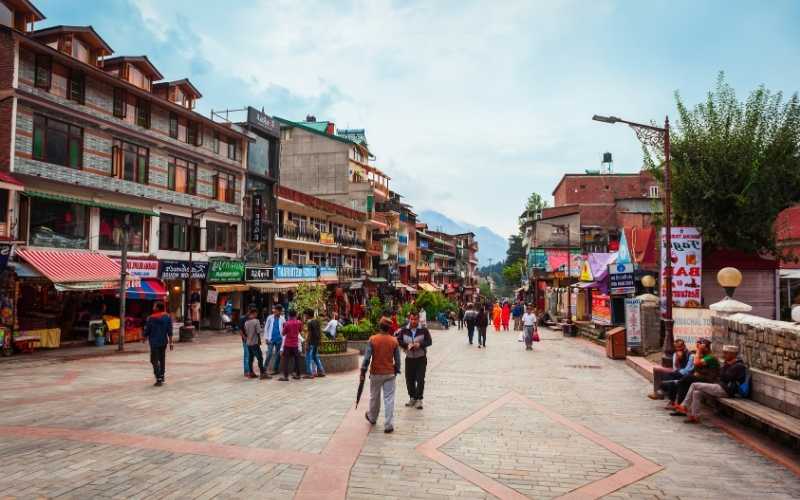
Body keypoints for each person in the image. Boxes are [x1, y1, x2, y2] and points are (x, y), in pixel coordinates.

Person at [676, 345, 746, 424]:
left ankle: (684, 405)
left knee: (694, 385)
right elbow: (721, 375)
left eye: (726, 353)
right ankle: (695, 416)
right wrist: (726, 366)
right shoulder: (729, 364)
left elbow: (725, 377)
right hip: (720, 387)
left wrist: (727, 366)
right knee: (697, 393)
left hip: (726, 390)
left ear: (733, 354)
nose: (724, 355)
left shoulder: (738, 366)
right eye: (724, 353)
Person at [362, 319, 402, 433]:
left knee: (374, 397)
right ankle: (388, 424)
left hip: (376, 373)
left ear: (379, 326)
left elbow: (367, 358)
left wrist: (363, 370)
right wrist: (396, 370)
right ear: (389, 328)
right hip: (389, 373)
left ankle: (372, 417)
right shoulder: (394, 341)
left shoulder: (373, 339)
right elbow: (398, 360)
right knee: (389, 399)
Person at [670, 338, 720, 414]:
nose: (698, 348)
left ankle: (681, 407)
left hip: (710, 380)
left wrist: (699, 350)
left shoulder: (710, 357)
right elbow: (696, 368)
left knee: (685, 380)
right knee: (683, 381)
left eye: (700, 347)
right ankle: (680, 407)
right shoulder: (703, 356)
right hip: (702, 378)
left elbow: (696, 363)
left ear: (706, 348)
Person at [397, 313, 433, 410]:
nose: (413, 321)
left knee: (420, 379)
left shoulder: (423, 330)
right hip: (409, 358)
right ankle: (412, 397)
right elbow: (399, 340)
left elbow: (429, 341)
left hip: (421, 358)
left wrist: (420, 344)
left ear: (418, 319)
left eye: (415, 319)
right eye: (412, 319)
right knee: (409, 379)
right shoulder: (404, 330)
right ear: (409, 319)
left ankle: (419, 399)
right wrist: (406, 345)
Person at [142, 302, 173, 386]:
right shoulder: (167, 317)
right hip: (163, 341)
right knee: (162, 359)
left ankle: (158, 377)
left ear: (158, 308)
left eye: (154, 306)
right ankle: (162, 375)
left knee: (154, 360)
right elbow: (170, 330)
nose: (153, 308)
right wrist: (171, 342)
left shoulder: (151, 318)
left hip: (154, 342)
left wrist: (144, 337)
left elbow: (147, 330)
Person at [243, 308, 269, 379]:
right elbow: (258, 331)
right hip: (255, 343)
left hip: (248, 343)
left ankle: (251, 372)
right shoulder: (256, 321)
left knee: (251, 358)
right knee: (260, 358)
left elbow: (246, 332)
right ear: (254, 313)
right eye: (256, 313)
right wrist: (262, 329)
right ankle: (262, 373)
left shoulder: (246, 322)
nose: (257, 315)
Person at [279, 310, 304, 381]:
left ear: (289, 315)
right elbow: (300, 330)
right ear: (296, 315)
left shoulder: (287, 323)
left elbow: (283, 333)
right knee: (297, 360)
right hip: (295, 344)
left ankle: (286, 376)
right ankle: (298, 375)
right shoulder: (299, 322)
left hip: (287, 344)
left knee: (286, 360)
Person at [264, 305, 285, 375]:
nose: (276, 312)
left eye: (278, 311)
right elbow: (266, 328)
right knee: (269, 354)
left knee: (278, 355)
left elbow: (284, 328)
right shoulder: (270, 318)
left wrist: (283, 339)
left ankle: (275, 369)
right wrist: (266, 338)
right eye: (275, 310)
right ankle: (264, 368)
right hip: (271, 339)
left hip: (279, 339)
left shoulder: (282, 319)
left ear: (280, 311)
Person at [304, 309, 325, 378]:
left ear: (308, 315)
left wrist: (307, 343)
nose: (305, 316)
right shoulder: (317, 321)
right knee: (315, 356)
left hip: (311, 342)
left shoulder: (309, 322)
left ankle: (310, 373)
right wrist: (320, 341)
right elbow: (320, 332)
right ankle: (321, 371)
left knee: (308, 358)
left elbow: (309, 334)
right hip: (316, 342)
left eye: (305, 315)